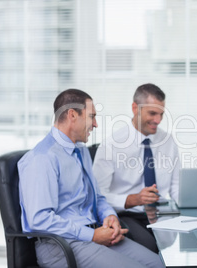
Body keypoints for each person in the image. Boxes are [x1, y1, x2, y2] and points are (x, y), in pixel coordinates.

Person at [18, 89, 164, 268]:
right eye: (91, 117)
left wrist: (109, 216)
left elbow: (97, 197)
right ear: (72, 115)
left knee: (158, 263)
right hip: (61, 245)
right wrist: (92, 236)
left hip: (93, 233)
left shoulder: (81, 151)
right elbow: (39, 219)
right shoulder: (42, 158)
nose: (95, 124)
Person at [93, 83, 180, 253]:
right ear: (135, 108)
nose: (158, 120)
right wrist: (132, 199)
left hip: (162, 213)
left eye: (161, 114)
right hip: (128, 214)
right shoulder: (112, 145)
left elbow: (176, 186)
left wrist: (191, 205)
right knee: (152, 248)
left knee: (188, 246)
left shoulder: (168, 141)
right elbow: (97, 195)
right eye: (152, 113)